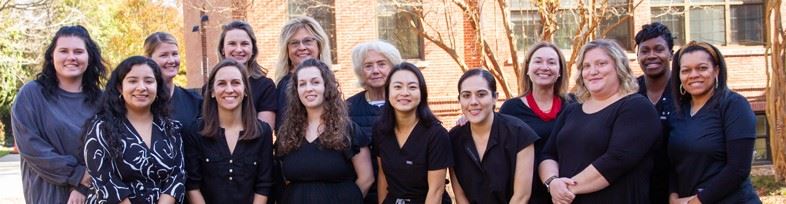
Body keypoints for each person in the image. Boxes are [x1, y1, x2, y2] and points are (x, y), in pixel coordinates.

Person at [539, 39, 661, 203]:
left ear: (619, 67)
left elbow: (616, 160)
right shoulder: (571, 110)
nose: (593, 71)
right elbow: (548, 153)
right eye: (586, 66)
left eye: (601, 64)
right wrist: (552, 182)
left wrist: (565, 189)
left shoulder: (637, 108)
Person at [11, 25, 106, 204]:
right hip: (47, 194)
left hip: (94, 195)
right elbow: (32, 148)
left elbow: (108, 150)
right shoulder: (31, 94)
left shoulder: (102, 101)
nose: (71, 57)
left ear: (89, 57)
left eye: (78, 51)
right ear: (52, 56)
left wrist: (82, 187)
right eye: (63, 51)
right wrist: (77, 175)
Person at [667, 41, 761, 204]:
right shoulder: (678, 112)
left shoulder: (734, 105)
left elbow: (738, 169)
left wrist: (697, 201)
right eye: (686, 70)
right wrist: (673, 196)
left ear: (716, 70)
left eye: (702, 68)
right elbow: (673, 162)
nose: (693, 74)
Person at [83, 56, 184, 203]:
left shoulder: (171, 128)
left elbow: (177, 176)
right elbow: (104, 179)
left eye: (149, 81)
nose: (141, 87)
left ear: (157, 86)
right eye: (132, 81)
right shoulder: (101, 128)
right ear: (120, 87)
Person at [275, 59, 374, 203]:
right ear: (296, 91)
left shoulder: (347, 130)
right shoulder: (287, 134)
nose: (308, 88)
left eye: (315, 82)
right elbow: (285, 180)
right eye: (302, 84)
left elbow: (366, 178)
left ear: (327, 87)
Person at [183, 59, 274, 203]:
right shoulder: (195, 131)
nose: (229, 89)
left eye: (236, 83)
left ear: (245, 91)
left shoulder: (262, 132)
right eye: (222, 83)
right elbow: (192, 186)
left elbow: (264, 185)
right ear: (212, 92)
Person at [449, 69, 539, 204]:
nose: (473, 101)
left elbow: (521, 196)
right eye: (466, 95)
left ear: (495, 97)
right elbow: (460, 196)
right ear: (459, 100)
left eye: (481, 94)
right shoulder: (453, 139)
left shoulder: (520, 134)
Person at [498, 42, 570, 204]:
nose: (544, 67)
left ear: (560, 71)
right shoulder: (511, 109)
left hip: (565, 194)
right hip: (525, 196)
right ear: (528, 69)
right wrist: (468, 120)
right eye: (538, 61)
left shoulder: (573, 107)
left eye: (551, 62)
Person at [374, 62, 453, 204]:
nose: (404, 93)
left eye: (412, 87)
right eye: (397, 87)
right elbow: (382, 177)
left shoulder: (436, 135)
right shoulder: (380, 130)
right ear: (388, 92)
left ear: (422, 93)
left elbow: (435, 191)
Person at [347, 40, 403, 204]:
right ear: (361, 71)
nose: (375, 70)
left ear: (393, 68)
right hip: (363, 194)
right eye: (368, 66)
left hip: (401, 193)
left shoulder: (407, 103)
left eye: (381, 64)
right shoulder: (347, 109)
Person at [634, 22, 675, 204]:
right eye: (645, 51)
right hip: (638, 190)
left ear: (670, 54)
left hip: (678, 189)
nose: (651, 56)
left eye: (659, 49)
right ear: (637, 55)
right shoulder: (629, 92)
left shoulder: (686, 91)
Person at [273, 16, 333, 131]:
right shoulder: (284, 86)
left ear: (319, 44)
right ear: (287, 50)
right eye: (294, 43)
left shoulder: (329, 80)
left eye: (308, 41)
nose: (302, 47)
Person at [218, 20, 277, 127]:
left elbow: (265, 133)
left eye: (244, 44)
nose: (239, 49)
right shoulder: (211, 87)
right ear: (222, 49)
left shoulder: (265, 87)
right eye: (232, 44)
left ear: (253, 49)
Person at [144, 32, 202, 126]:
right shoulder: (140, 101)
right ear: (148, 59)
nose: (171, 60)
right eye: (164, 55)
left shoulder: (194, 101)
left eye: (174, 54)